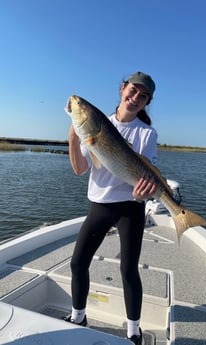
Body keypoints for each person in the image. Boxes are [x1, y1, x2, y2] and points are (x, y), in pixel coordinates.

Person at [65, 71, 157, 345]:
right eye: (133, 91)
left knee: (129, 271)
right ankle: (78, 317)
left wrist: (145, 194)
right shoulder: (94, 124)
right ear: (122, 89)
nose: (136, 98)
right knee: (78, 263)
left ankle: (133, 332)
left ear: (146, 102)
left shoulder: (146, 133)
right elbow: (81, 169)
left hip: (131, 206)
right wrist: (73, 135)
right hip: (100, 205)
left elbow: (147, 174)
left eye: (143, 96)